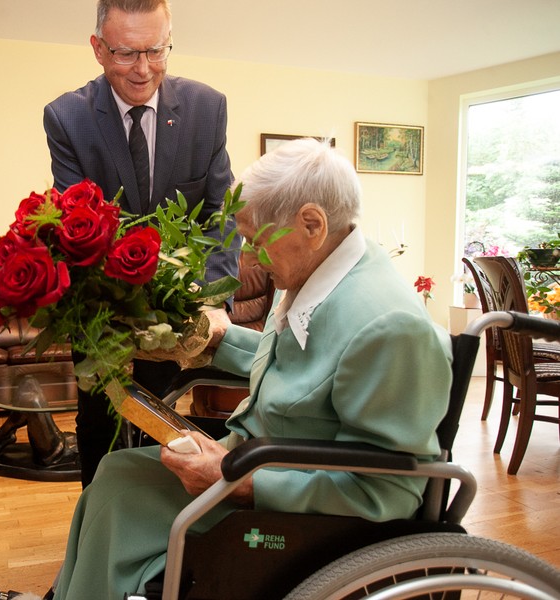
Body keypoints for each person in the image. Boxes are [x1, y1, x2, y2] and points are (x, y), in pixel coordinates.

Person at [46, 138, 454, 599]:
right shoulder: (326, 268)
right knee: (116, 472)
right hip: (253, 460)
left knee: (122, 505)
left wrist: (240, 482)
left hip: (286, 512)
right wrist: (213, 339)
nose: (251, 259)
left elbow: (388, 493)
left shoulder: (392, 327)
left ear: (312, 223)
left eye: (257, 241)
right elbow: (309, 366)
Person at [43, 0, 239, 486]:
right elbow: (78, 224)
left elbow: (221, 213)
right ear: (98, 49)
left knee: (162, 420)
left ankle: (154, 521)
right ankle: (100, 516)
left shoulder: (207, 109)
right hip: (100, 306)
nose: (143, 69)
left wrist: (214, 300)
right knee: (99, 419)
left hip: (174, 308)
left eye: (156, 50)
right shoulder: (67, 117)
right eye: (127, 53)